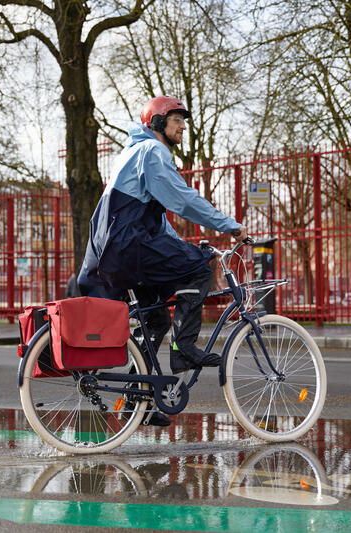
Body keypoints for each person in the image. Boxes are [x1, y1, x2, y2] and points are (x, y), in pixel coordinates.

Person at [78, 96, 247, 425]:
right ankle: (185, 349)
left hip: (112, 252)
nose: (183, 125)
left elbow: (156, 220)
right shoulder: (154, 151)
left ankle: (135, 401)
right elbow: (182, 198)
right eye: (176, 119)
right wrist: (231, 226)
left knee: (155, 321)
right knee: (201, 265)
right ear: (156, 122)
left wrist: (179, 245)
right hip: (128, 247)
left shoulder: (132, 152)